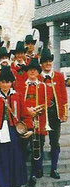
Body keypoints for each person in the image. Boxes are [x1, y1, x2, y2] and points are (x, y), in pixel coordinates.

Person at [0, 67, 33, 187]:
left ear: (11, 83)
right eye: (3, 82)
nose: (5, 85)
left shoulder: (17, 96)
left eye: (8, 82)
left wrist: (29, 128)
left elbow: (25, 115)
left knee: (12, 164)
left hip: (13, 132)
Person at [16, 58, 52, 187]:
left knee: (38, 147)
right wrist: (27, 110)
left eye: (34, 70)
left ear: (38, 72)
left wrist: (36, 110)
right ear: (27, 72)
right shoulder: (20, 85)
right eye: (30, 70)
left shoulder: (43, 86)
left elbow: (48, 102)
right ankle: (22, 172)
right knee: (22, 147)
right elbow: (17, 102)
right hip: (24, 122)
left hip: (39, 120)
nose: (32, 72)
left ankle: (35, 172)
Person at [39, 48, 68, 179]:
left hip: (55, 115)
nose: (48, 64)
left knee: (55, 142)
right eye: (45, 62)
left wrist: (64, 113)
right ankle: (38, 169)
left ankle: (54, 168)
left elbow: (63, 96)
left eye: (49, 61)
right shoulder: (37, 77)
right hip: (41, 115)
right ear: (41, 64)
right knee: (39, 142)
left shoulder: (59, 76)